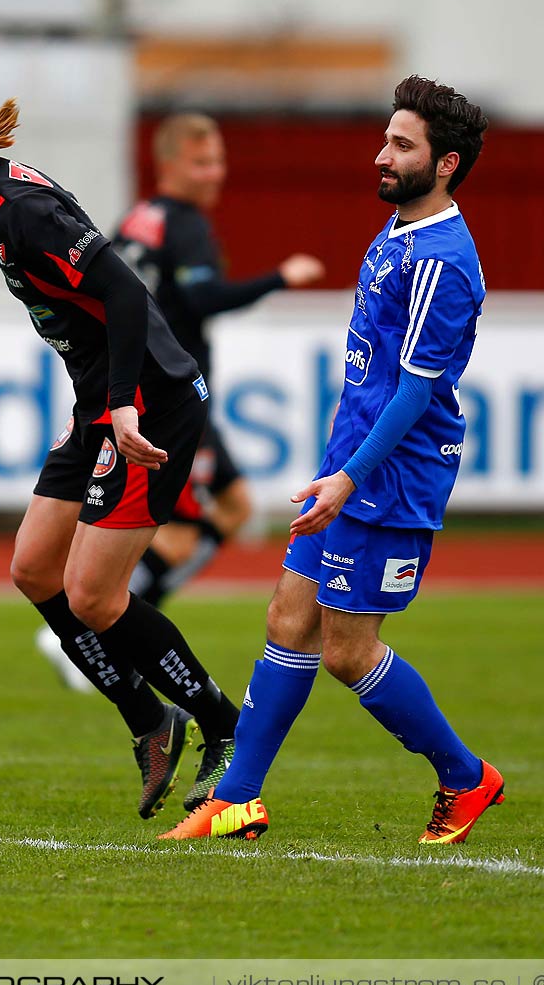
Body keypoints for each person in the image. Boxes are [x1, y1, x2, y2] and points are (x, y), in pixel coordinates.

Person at [0, 103, 243, 820]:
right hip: (99, 409)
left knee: (94, 597)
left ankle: (223, 724)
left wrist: (127, 405)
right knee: (33, 568)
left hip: (151, 406)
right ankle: (150, 722)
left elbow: (126, 295)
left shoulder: (23, 213)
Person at [160, 75, 500, 844]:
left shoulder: (443, 259)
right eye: (385, 138)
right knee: (288, 616)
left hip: (392, 479)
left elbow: (415, 392)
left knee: (347, 652)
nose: (381, 155)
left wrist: (350, 476)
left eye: (401, 145)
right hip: (353, 464)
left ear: (445, 165)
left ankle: (466, 777)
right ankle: (240, 799)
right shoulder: (402, 232)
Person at [114, 114, 325, 607]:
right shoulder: (186, 224)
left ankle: (105, 627)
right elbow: (203, 297)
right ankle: (89, 631)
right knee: (179, 532)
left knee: (232, 507)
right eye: (201, 162)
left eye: (218, 161)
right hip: (173, 396)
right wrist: (281, 277)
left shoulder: (138, 218)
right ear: (168, 163)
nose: (215, 173)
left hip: (149, 389)